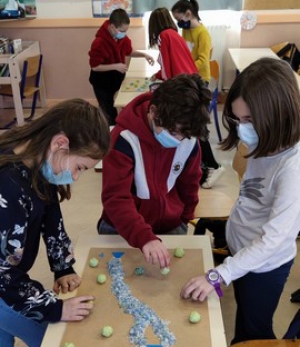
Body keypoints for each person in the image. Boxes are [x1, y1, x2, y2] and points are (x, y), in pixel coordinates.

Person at [180, 58, 300, 344]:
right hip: (242, 254)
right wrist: (228, 270)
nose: (242, 129)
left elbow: (272, 241)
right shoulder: (265, 139)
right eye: (237, 119)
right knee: (243, 312)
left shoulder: (293, 169)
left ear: (278, 114)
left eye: (248, 121)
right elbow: (252, 198)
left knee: (252, 333)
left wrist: (219, 275)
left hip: (265, 266)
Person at [0, 99, 110, 347]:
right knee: (52, 338)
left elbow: (51, 214)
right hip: (2, 283)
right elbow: (3, 276)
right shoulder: (6, 186)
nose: (76, 177)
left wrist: (62, 266)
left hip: (8, 276)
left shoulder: (36, 158)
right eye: (79, 167)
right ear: (60, 143)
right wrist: (55, 308)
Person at [98, 74, 211, 269]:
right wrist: (144, 237)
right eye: (174, 132)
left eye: (185, 135)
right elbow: (116, 198)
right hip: (122, 227)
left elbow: (190, 181)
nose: (179, 140)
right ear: (153, 112)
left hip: (170, 224)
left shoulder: (187, 137)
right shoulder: (123, 139)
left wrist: (185, 216)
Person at [171, 0, 225, 189]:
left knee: (197, 126)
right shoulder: (186, 31)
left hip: (199, 83)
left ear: (188, 14)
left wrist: (184, 69)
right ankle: (203, 164)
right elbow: (185, 52)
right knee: (193, 127)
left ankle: (213, 166)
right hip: (188, 80)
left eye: (179, 18)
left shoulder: (203, 33)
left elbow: (202, 60)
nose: (179, 23)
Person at [89, 8, 154, 125]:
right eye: (122, 30)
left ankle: (125, 126)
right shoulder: (99, 42)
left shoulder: (121, 37)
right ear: (112, 27)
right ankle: (110, 134)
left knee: (125, 101)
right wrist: (115, 66)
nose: (124, 33)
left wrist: (144, 55)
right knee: (108, 111)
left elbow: (129, 51)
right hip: (102, 81)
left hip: (116, 76)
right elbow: (95, 67)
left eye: (126, 30)